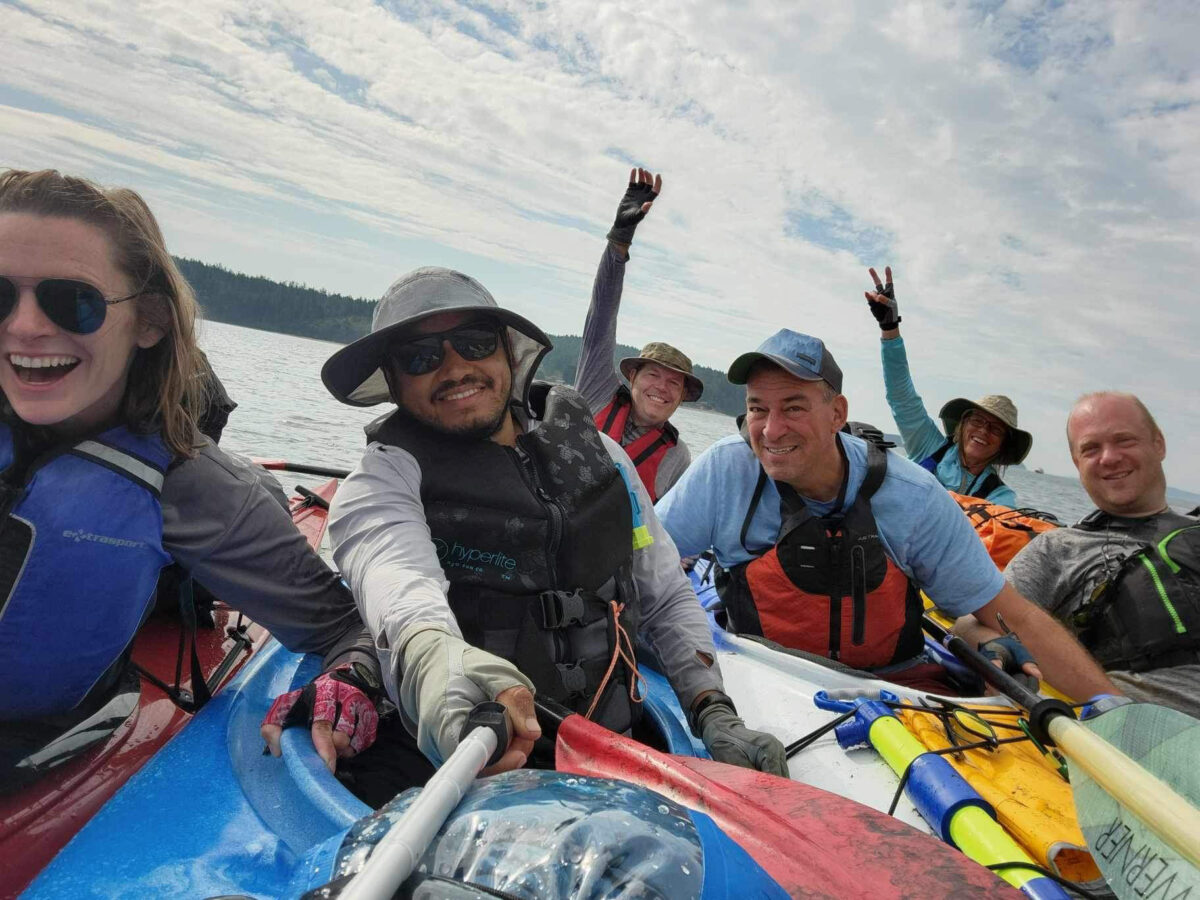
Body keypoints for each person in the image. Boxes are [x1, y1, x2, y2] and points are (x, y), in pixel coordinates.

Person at [321, 266, 786, 779]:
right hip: (480, 752)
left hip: (614, 744)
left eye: (474, 343)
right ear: (392, 379)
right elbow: (392, 572)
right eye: (420, 357)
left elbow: (665, 591)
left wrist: (711, 707)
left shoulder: (604, 457)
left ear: (507, 351)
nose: (454, 369)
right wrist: (432, 654)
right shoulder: (382, 480)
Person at [0, 169, 379, 776]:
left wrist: (346, 683)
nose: (23, 327)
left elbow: (345, 629)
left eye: (73, 301)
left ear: (148, 320)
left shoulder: (193, 486)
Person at [657, 328, 1118, 700]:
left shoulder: (913, 496)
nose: (771, 430)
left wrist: (1111, 706)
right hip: (757, 671)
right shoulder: (725, 469)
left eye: (793, 408)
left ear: (838, 413)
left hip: (889, 688)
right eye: (758, 409)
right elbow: (642, 561)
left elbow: (1010, 614)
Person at [973, 392, 1198, 718]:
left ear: (1158, 444)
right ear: (1077, 463)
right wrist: (993, 644)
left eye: (1124, 440)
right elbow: (972, 622)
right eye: (1091, 449)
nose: (1109, 457)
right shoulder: (1058, 550)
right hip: (1161, 732)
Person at [574, 169, 704, 502]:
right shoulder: (596, 390)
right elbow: (601, 318)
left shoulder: (678, 458)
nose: (662, 388)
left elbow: (666, 531)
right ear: (632, 378)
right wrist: (620, 240)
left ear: (680, 398)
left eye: (675, 383)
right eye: (654, 375)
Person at [863, 267, 1030, 505]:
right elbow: (901, 395)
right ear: (962, 425)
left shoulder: (999, 497)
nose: (983, 431)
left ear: (1004, 444)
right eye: (978, 421)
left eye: (995, 428)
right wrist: (890, 328)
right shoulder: (927, 445)